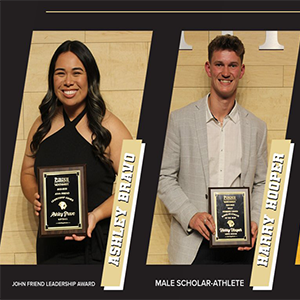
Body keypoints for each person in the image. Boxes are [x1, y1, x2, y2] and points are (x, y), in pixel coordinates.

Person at [158, 34, 268, 265]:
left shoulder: (257, 127)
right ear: (209, 68)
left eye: (232, 65)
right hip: (193, 246)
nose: (225, 72)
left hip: (241, 245)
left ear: (241, 70)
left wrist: (255, 221)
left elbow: (261, 183)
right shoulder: (180, 120)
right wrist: (191, 216)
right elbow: (164, 177)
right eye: (219, 64)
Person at [20, 40, 132, 264]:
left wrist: (95, 215)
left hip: (97, 248)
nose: (68, 81)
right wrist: (35, 195)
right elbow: (27, 171)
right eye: (60, 73)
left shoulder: (111, 127)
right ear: (52, 79)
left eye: (76, 73)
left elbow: (137, 186)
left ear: (90, 77)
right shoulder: (41, 124)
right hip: (50, 249)